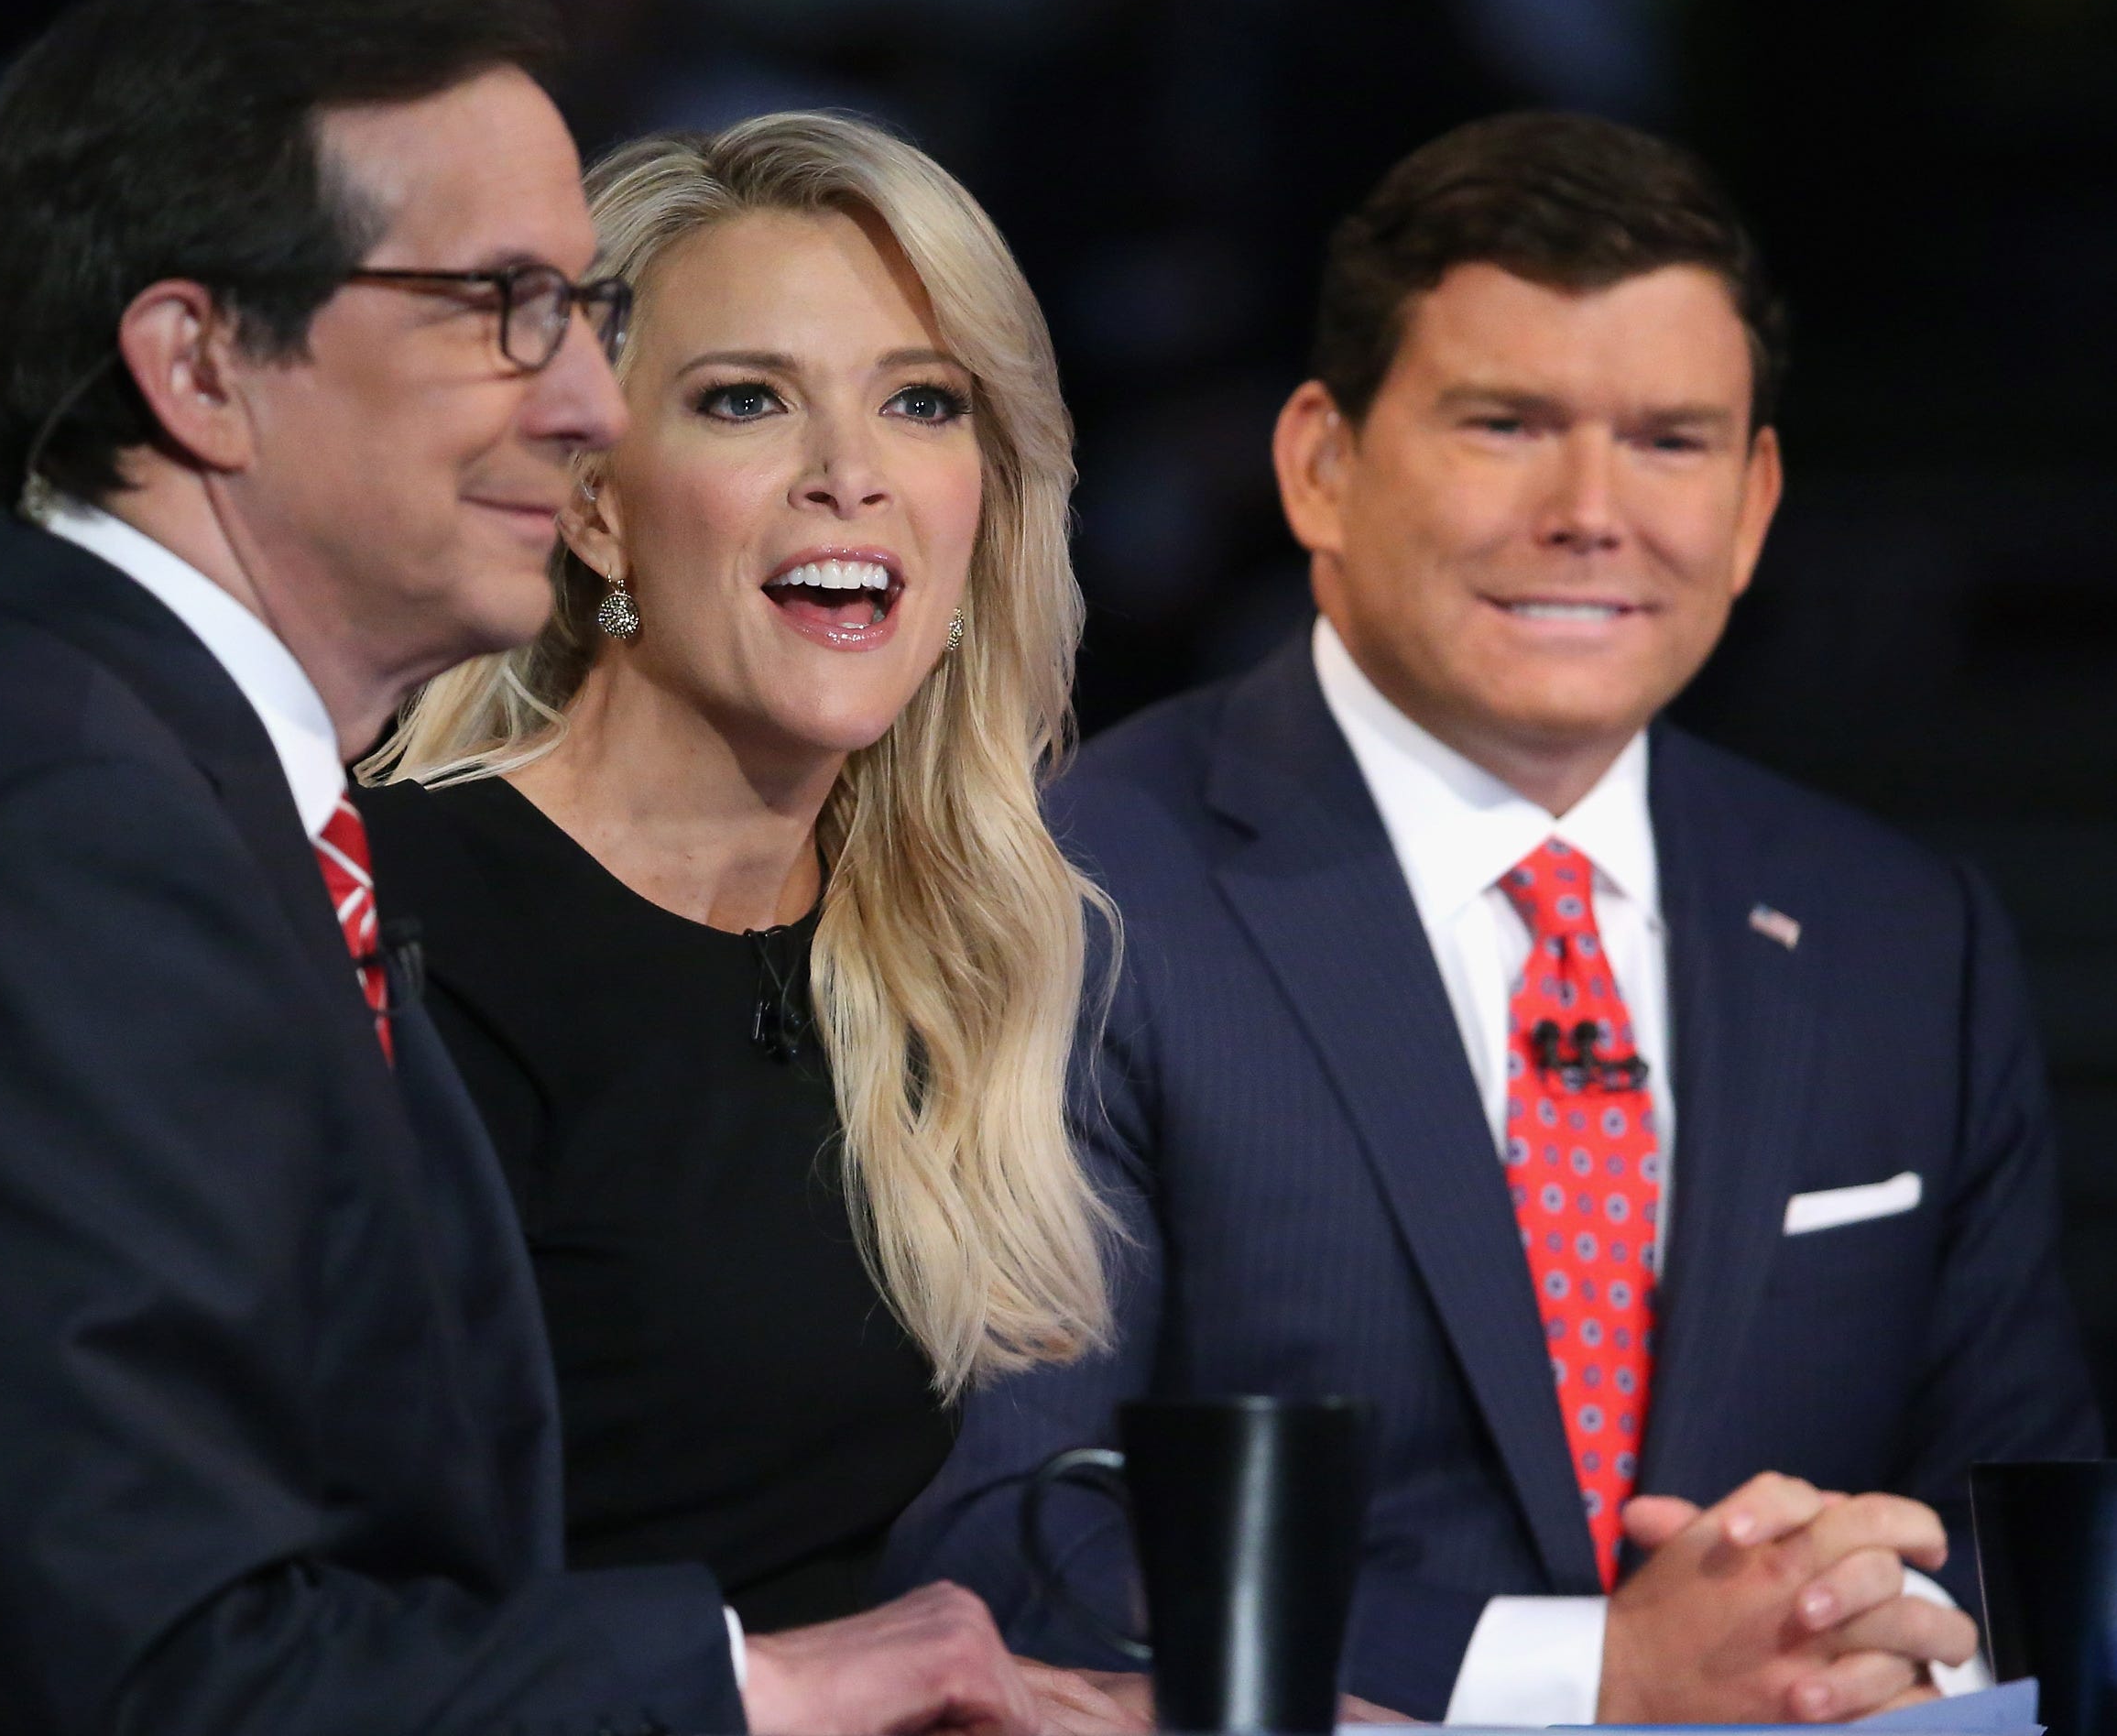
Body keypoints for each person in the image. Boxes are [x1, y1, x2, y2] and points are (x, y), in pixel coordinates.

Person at [0, 0, 1048, 1736]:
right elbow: (177, 1674)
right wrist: (753, 1678)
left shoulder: (117, 748)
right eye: (499, 305)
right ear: (197, 363)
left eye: (575, 310)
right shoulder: (74, 834)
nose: (576, 404)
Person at [885, 111, 2103, 1725]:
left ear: (1753, 506)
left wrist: (1850, 1615)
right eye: (1507, 424)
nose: (1592, 509)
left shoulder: (1902, 933)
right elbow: (1009, 1540)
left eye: (1670, 441)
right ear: (1320, 464)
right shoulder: (1074, 896)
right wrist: (1598, 1677)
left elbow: (2027, 1513)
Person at [357, 112, 1132, 1727]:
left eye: (921, 402)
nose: (851, 472)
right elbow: (322, 1607)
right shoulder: (403, 922)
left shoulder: (943, 948)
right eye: (747, 401)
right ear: (595, 506)